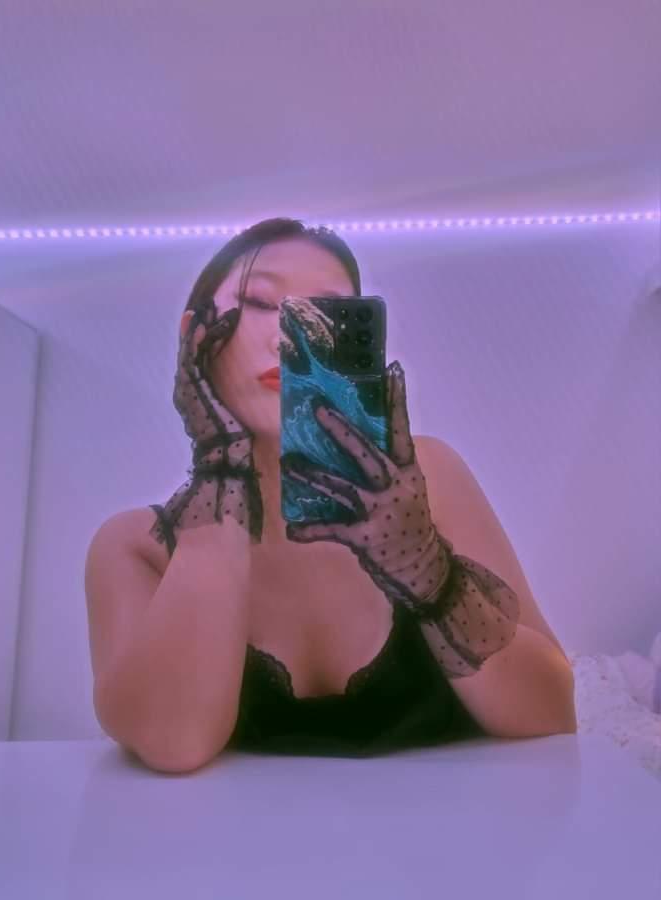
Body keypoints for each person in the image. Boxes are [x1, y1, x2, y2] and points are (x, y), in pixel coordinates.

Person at [85, 217, 575, 774]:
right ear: (195, 335)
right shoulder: (134, 547)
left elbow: (553, 713)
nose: (289, 337)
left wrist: (431, 577)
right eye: (259, 302)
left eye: (327, 314)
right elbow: (175, 743)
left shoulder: (428, 479)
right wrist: (220, 467)